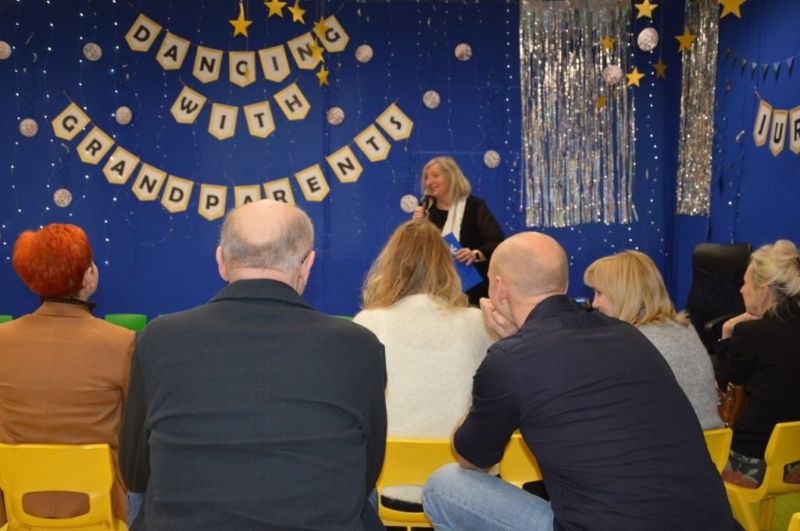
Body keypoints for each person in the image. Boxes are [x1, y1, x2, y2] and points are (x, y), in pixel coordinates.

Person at [422, 232, 738, 531]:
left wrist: (504, 353)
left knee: (444, 485)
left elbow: (472, 459)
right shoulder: (627, 334)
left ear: (499, 287)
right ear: (563, 283)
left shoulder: (510, 359)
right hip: (713, 522)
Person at [119, 200, 387, 530]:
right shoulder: (358, 346)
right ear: (307, 265)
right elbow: (368, 469)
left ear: (221, 261)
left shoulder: (158, 339)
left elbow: (134, 472)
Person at [353, 220, 495, 506]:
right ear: (447, 266)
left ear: (390, 265)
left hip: (385, 488)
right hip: (461, 493)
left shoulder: (367, 324)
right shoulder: (480, 324)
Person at [0, 224, 134, 526]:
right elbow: (136, 431)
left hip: (19, 512)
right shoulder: (122, 343)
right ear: (88, 276)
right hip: (101, 512)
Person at [583, 250, 722, 429]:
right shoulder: (684, 328)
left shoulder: (630, 342)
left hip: (671, 442)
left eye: (599, 293)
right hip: (711, 441)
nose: (595, 303)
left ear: (622, 293)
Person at [716, 239, 800, 487]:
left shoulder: (751, 334)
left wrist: (727, 332)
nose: (741, 290)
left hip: (755, 460)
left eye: (745, 283)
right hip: (795, 458)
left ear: (763, 291)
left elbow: (724, 385)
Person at [412, 156, 504, 304]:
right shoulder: (427, 211)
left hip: (474, 291)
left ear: (451, 176)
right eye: (426, 178)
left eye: (435, 176)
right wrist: (417, 226)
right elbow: (415, 254)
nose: (429, 182)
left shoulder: (474, 207)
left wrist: (474, 254)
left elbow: (497, 241)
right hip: (435, 291)